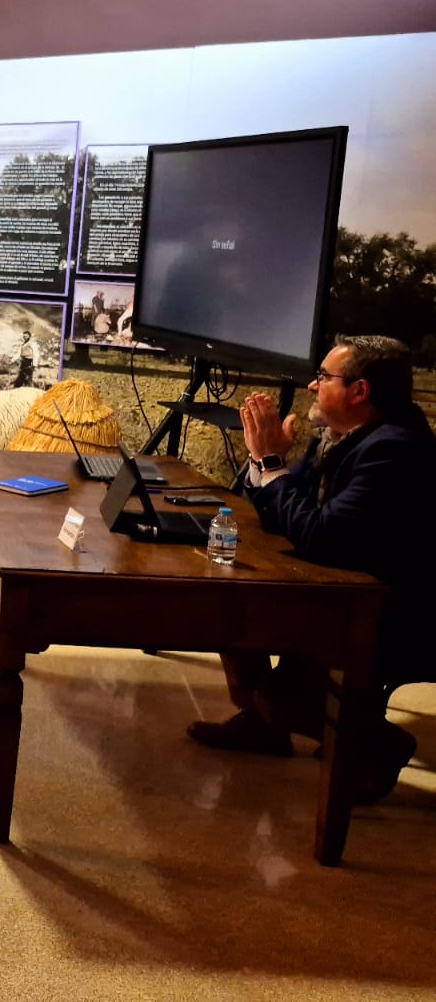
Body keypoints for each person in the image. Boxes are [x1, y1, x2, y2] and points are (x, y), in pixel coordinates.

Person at [187, 335, 436, 803]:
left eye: (323, 376)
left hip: (392, 614)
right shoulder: (340, 435)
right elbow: (280, 511)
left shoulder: (394, 449)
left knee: (275, 693)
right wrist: (265, 462)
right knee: (224, 595)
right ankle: (263, 727)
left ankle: (377, 743)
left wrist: (271, 464)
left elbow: (320, 535)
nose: (311, 385)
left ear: (359, 391)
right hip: (339, 587)